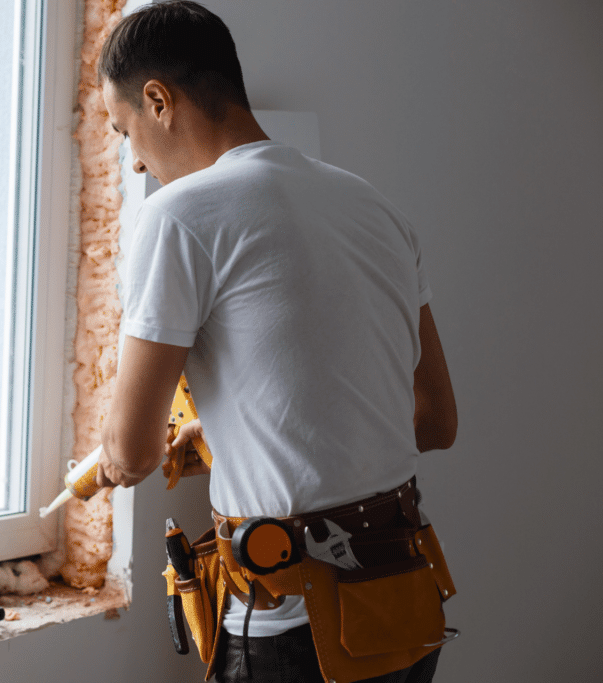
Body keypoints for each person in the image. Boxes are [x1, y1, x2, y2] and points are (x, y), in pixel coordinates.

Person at [92, 2, 458, 682]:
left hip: (297, 634)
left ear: (158, 100)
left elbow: (132, 449)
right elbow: (436, 419)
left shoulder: (179, 216)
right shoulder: (376, 208)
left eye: (125, 132)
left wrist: (117, 459)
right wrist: (221, 429)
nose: (134, 164)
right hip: (406, 609)